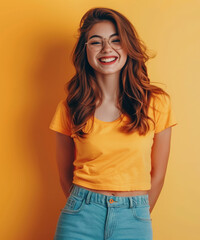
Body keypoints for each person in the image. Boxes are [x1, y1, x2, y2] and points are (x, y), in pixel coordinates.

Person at [49, 7, 178, 240]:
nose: (107, 49)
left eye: (116, 40)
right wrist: (85, 205)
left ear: (128, 46)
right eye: (96, 42)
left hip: (134, 216)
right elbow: (64, 174)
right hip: (80, 215)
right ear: (85, 51)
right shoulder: (70, 107)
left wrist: (136, 214)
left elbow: (158, 173)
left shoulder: (156, 103)